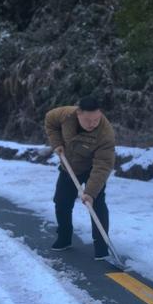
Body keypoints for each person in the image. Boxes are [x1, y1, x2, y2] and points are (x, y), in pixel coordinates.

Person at [44, 96, 116, 260]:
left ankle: (102, 247)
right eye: (88, 120)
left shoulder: (105, 134)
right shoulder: (65, 114)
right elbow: (50, 122)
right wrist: (56, 143)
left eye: (96, 119)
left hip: (93, 168)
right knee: (61, 201)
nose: (92, 124)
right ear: (78, 114)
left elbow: (103, 164)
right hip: (69, 165)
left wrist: (89, 192)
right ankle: (64, 238)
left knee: (96, 203)